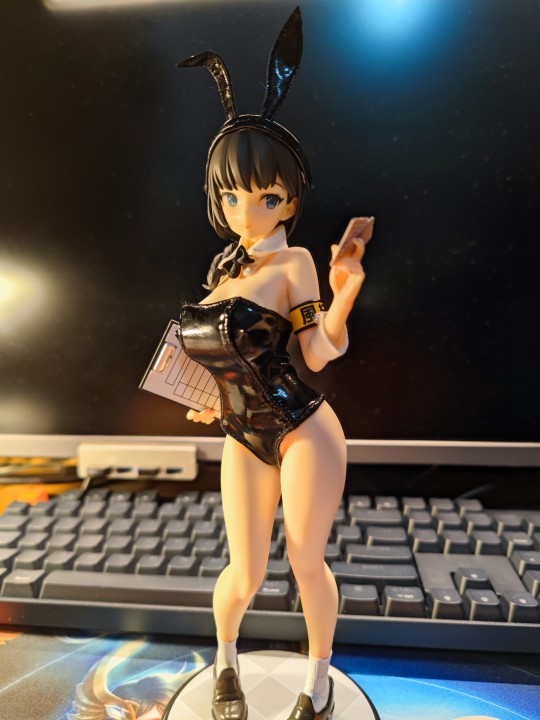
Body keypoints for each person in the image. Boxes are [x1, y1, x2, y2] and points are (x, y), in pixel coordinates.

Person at [177, 8, 366, 720]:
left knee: (305, 560)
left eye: (264, 197)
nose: (245, 210)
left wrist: (343, 296)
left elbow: (317, 352)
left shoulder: (295, 263)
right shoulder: (224, 270)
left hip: (301, 427)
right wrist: (207, 393)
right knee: (245, 569)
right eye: (230, 195)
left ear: (289, 197)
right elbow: (214, 355)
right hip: (242, 432)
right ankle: (224, 665)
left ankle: (318, 680)